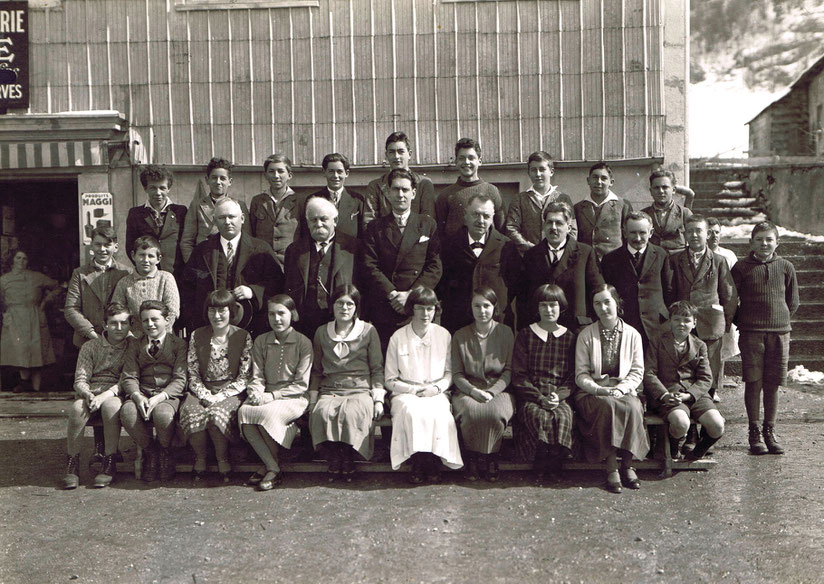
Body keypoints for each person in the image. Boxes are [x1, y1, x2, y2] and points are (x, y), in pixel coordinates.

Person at [731, 221, 799, 456]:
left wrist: (778, 320)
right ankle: (754, 432)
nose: (764, 244)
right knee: (754, 382)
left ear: (777, 242)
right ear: (751, 242)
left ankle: (770, 431)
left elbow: (793, 302)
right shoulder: (741, 268)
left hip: (779, 333)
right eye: (759, 239)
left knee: (772, 383)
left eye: (769, 239)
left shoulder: (786, 266)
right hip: (751, 333)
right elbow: (731, 301)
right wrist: (745, 321)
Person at [574, 285, 649, 493]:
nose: (603, 307)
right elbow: (581, 374)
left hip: (623, 390)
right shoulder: (586, 335)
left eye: (607, 302)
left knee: (633, 408)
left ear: (617, 303)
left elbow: (637, 371)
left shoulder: (633, 334)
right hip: (593, 393)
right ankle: (611, 467)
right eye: (597, 303)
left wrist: (622, 388)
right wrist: (599, 389)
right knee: (608, 406)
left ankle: (628, 464)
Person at [385, 286, 462, 482]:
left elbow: (449, 372)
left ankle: (433, 461)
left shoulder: (444, 335)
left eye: (430, 309)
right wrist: (413, 389)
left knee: (439, 413)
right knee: (411, 412)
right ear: (411, 309)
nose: (425, 314)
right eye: (420, 308)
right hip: (405, 392)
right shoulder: (398, 336)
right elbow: (390, 379)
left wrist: (436, 388)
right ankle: (418, 462)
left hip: (435, 390)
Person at [308, 285, 384, 480]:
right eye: (339, 303)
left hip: (359, 389)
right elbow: (316, 370)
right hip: (331, 389)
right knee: (323, 412)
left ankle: (348, 456)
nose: (344, 308)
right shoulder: (321, 332)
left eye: (350, 304)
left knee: (352, 412)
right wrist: (313, 397)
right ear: (332, 306)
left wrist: (378, 399)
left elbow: (376, 368)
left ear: (356, 307)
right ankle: (335, 456)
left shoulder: (368, 331)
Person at [361, 168, 442, 350]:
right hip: (387, 305)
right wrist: (393, 294)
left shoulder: (427, 225)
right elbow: (369, 265)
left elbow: (434, 266)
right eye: (395, 189)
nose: (400, 194)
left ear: (413, 193)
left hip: (417, 306)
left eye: (405, 190)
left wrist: (411, 296)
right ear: (388, 193)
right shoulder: (375, 227)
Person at [238, 295, 312, 491]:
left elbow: (301, 384)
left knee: (266, 413)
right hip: (265, 394)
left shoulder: (303, 343)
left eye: (282, 313)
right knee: (245, 412)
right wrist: (255, 391)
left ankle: (269, 468)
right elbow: (257, 374)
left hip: (293, 398)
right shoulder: (262, 341)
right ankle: (273, 467)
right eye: (272, 314)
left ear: (292, 314)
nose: (277, 319)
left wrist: (272, 396)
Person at [179, 290, 252, 483]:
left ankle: (222, 458)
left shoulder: (243, 337)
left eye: (223, 310)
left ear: (231, 311)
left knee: (216, 414)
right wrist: (203, 393)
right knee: (191, 412)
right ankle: (201, 458)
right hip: (201, 388)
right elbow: (192, 371)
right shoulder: (197, 335)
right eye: (212, 310)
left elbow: (244, 376)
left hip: (231, 390)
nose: (217, 316)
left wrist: (220, 397)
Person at [181, 197, 282, 333]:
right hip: (210, 326)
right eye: (222, 218)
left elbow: (277, 283)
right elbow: (187, 287)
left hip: (251, 325)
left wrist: (253, 291)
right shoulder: (202, 250)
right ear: (215, 220)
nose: (227, 222)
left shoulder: (261, 248)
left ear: (242, 219)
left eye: (232, 217)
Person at [643, 301, 725, 461]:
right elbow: (649, 373)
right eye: (677, 319)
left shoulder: (699, 345)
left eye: (687, 320)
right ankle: (673, 448)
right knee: (681, 423)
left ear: (694, 323)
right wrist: (664, 395)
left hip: (695, 396)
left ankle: (696, 454)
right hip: (670, 396)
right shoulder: (657, 342)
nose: (681, 324)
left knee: (717, 425)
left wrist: (689, 395)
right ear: (670, 321)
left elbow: (706, 378)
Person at [63, 302, 132, 489]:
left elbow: (127, 379)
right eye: (114, 323)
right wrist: (87, 394)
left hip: (117, 392)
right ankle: (72, 465)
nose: (119, 328)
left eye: (124, 323)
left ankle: (109, 463)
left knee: (111, 407)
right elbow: (81, 378)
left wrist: (105, 397)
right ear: (105, 325)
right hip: (91, 393)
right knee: (77, 408)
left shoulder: (132, 347)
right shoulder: (90, 347)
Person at [120, 300, 188, 483]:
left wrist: (161, 397)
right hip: (142, 392)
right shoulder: (135, 345)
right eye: (145, 321)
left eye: (154, 319)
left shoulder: (178, 344)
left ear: (167, 320)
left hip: (167, 395)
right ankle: (151, 452)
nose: (150, 324)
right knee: (127, 412)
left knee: (163, 414)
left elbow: (180, 378)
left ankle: (165, 451)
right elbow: (129, 376)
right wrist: (136, 395)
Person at [670, 214, 737, 400]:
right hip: (684, 322)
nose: (694, 235)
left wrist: (725, 323)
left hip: (710, 322)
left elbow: (729, 295)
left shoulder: (718, 260)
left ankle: (708, 409)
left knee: (709, 369)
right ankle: (690, 416)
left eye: (698, 230)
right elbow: (670, 291)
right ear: (684, 234)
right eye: (689, 231)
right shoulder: (675, 260)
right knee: (685, 368)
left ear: (707, 234)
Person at [451, 287, 515, 482]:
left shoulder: (505, 332)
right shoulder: (460, 335)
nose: (482, 311)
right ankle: (472, 458)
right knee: (470, 412)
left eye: (486, 306)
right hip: (467, 389)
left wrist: (492, 392)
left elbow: (509, 371)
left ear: (494, 308)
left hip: (499, 389)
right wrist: (473, 391)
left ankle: (491, 458)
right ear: (471, 309)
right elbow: (457, 373)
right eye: (477, 306)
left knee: (495, 413)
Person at [438, 193, 519, 333]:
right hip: (458, 324)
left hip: (496, 323)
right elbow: (442, 284)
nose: (481, 221)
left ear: (492, 217)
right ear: (465, 215)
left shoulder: (506, 246)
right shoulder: (449, 246)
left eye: (486, 216)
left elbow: (515, 285)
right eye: (476, 214)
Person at [517, 201, 603, 332]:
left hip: (575, 330)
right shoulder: (531, 255)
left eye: (559, 223)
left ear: (569, 227)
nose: (553, 227)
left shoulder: (585, 253)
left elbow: (597, 291)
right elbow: (523, 298)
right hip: (541, 330)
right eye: (549, 222)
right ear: (543, 226)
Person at [283, 196, 359, 339]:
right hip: (304, 325)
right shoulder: (294, 250)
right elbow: (288, 285)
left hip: (341, 323)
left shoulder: (353, 248)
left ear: (334, 221)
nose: (318, 224)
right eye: (313, 220)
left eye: (324, 219)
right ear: (307, 222)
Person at [600, 211, 674, 349]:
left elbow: (669, 289)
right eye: (633, 232)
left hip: (656, 325)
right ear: (625, 232)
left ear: (651, 232)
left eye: (642, 233)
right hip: (625, 324)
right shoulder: (611, 259)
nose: (638, 238)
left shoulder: (661, 255)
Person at [0, 249, 60, 392]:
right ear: (12, 260)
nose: (21, 261)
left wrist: (46, 302)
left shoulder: (37, 277)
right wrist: (5, 312)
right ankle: (24, 383)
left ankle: (35, 389)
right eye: (18, 258)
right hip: (15, 318)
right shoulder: (3, 280)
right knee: (21, 351)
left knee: (37, 351)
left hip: (35, 317)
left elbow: (57, 287)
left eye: (24, 258)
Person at [64, 226, 131, 349]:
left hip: (120, 341)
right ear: (91, 246)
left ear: (115, 247)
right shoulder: (80, 274)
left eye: (107, 245)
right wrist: (92, 335)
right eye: (97, 244)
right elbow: (71, 308)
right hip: (87, 342)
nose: (102, 249)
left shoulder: (126, 273)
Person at [504, 150, 577, 255]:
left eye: (542, 169)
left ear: (551, 171)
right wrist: (531, 249)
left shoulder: (563, 198)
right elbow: (511, 229)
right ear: (529, 173)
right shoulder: (520, 199)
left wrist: (560, 251)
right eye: (534, 170)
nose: (538, 174)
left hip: (558, 257)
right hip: (528, 258)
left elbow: (572, 230)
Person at [180, 157, 251, 263]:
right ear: (207, 180)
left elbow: (247, 238)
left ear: (230, 181)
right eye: (214, 178)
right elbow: (186, 241)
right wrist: (194, 266)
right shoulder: (197, 205)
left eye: (222, 178)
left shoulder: (239, 205)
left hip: (231, 259)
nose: (218, 182)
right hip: (204, 260)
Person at [435, 138, 505, 241]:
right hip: (456, 254)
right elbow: (440, 233)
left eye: (471, 158)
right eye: (462, 158)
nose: (466, 162)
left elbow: (502, 229)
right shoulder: (446, 195)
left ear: (479, 161)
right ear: (456, 162)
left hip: (487, 254)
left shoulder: (492, 191)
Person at [112, 235, 180, 338]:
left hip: (163, 337)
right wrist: (129, 335)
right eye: (141, 255)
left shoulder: (166, 278)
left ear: (158, 258)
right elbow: (118, 312)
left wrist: (159, 335)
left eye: (151, 256)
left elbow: (172, 310)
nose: (146, 260)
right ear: (133, 255)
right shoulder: (124, 283)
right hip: (134, 339)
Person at [126, 165, 188, 277]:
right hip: (147, 275)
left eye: (162, 188)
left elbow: (187, 242)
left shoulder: (181, 212)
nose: (158, 193)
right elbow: (130, 246)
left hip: (178, 276)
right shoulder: (135, 214)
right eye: (153, 188)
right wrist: (144, 269)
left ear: (168, 188)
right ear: (145, 188)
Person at [363, 131, 436, 226]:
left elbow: (428, 221)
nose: (396, 156)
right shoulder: (375, 186)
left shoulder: (423, 184)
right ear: (386, 155)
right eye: (391, 152)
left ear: (409, 154)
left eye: (401, 152)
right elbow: (368, 223)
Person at [296, 153, 365, 241]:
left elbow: (362, 232)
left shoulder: (357, 199)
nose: (335, 176)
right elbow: (306, 231)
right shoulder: (313, 199)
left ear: (346, 173)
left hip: (348, 251)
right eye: (331, 171)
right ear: (324, 172)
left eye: (339, 171)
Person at [573, 162, 634, 261]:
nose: (599, 182)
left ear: (611, 182)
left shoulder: (623, 205)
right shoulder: (578, 208)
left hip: (615, 263)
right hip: (586, 262)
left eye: (604, 178)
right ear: (588, 180)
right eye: (595, 177)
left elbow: (628, 236)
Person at [707, 216, 739, 400]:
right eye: (709, 232)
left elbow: (732, 284)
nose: (713, 236)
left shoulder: (728, 255)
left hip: (722, 306)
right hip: (706, 307)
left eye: (717, 232)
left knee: (721, 349)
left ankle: (716, 387)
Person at [248, 153, 299, 270]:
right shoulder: (258, 201)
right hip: (263, 262)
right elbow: (251, 233)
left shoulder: (300, 201)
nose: (276, 176)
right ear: (265, 175)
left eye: (280, 171)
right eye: (271, 171)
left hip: (291, 263)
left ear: (289, 175)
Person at [640, 168, 693, 254]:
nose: (661, 191)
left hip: (677, 263)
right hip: (653, 263)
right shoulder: (643, 215)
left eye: (665, 187)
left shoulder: (685, 213)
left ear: (674, 190)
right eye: (656, 188)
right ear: (651, 191)